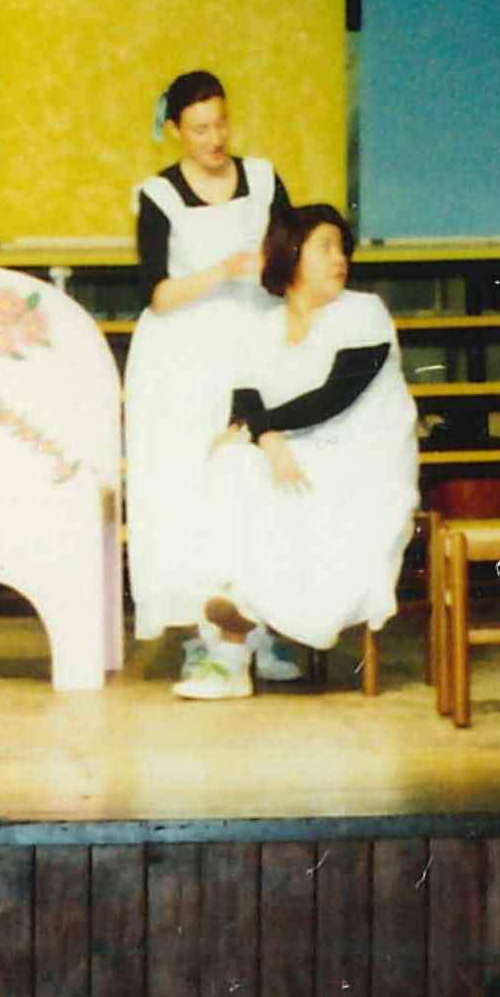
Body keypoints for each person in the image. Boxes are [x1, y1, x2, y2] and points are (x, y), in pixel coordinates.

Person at [171, 201, 418, 699]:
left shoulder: (364, 312)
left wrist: (259, 433)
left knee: (244, 465)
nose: (339, 258)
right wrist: (265, 438)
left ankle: (237, 641)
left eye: (342, 248)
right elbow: (245, 399)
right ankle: (236, 638)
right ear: (290, 253)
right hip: (293, 453)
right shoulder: (262, 325)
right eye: (325, 247)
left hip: (362, 465)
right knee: (228, 461)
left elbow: (335, 396)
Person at [122, 68, 285, 669]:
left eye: (220, 125)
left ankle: (263, 628)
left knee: (257, 479)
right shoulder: (158, 194)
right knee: (188, 486)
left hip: (257, 339)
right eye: (199, 130)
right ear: (174, 131)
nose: (214, 140)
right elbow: (157, 294)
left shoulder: (262, 178)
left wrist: (268, 268)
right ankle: (204, 633)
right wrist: (222, 271)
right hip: (183, 356)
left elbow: (292, 257)